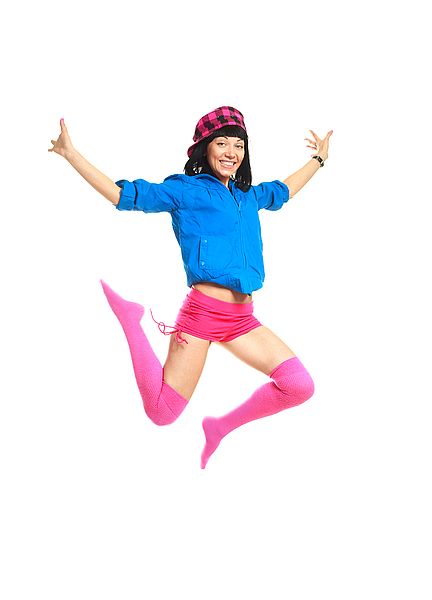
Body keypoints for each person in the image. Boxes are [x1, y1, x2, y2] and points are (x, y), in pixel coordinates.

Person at [49, 106, 332, 468]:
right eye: (222, 143)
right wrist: (71, 154)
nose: (232, 152)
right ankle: (131, 321)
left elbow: (284, 190)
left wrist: (318, 159)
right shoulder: (186, 191)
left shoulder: (248, 196)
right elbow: (124, 196)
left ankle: (219, 427)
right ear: (204, 148)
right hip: (201, 315)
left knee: (299, 386)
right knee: (162, 412)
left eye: (239, 145)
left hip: (243, 319)